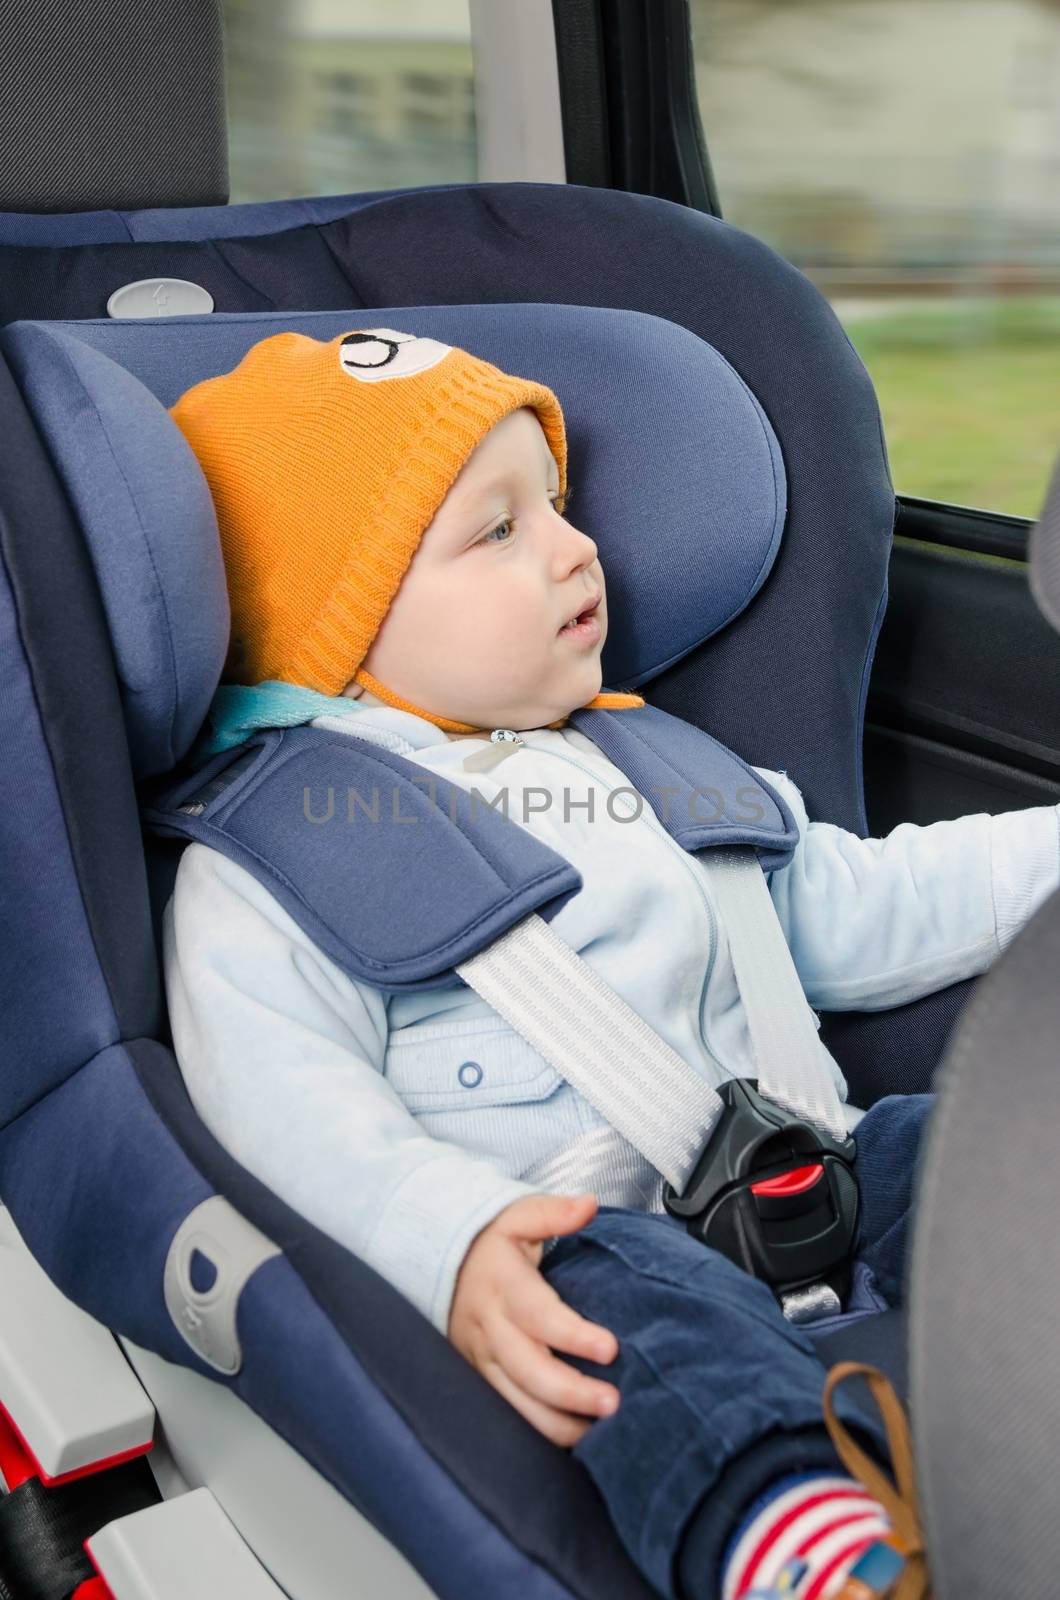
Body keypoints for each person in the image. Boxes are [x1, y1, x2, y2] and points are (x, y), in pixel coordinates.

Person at [163, 327, 1060, 1600]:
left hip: (817, 1169)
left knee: (993, 1149)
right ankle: (809, 1551)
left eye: (559, 507)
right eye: (498, 532)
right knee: (630, 1328)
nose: (577, 548)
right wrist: (451, 1235)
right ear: (341, 616)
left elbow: (867, 901)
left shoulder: (659, 765)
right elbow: (281, 1099)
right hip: (576, 1234)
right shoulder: (285, 850)